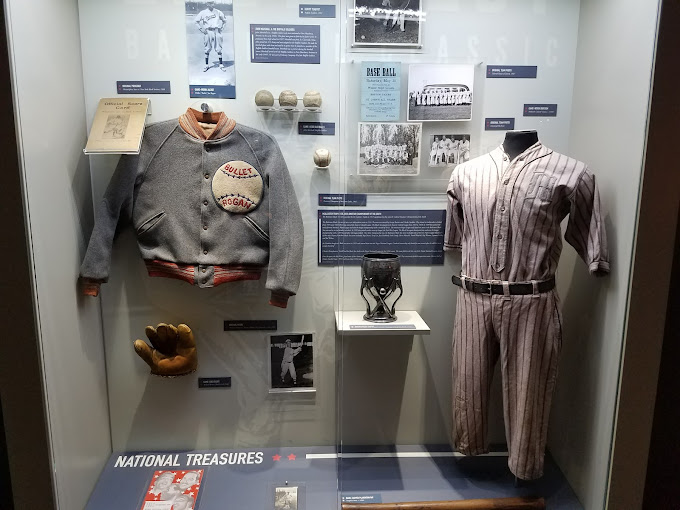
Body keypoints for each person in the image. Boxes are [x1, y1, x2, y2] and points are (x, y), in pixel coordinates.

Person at [195, 0, 227, 72]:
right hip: (208, 31)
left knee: (219, 48)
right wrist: (201, 29)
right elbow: (196, 21)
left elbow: (225, 20)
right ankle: (206, 65)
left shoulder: (218, 12)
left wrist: (222, 28)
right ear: (207, 4)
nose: (211, 4)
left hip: (216, 30)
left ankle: (221, 64)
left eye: (212, 2)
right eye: (209, 3)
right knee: (207, 48)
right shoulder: (203, 12)